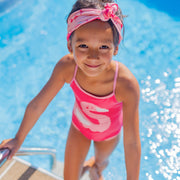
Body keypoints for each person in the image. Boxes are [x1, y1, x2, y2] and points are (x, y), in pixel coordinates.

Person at [0, 0, 141, 179]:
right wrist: (18, 139)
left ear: (116, 49)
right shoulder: (67, 68)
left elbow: (131, 143)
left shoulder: (125, 84)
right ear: (70, 46)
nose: (93, 56)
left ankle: (94, 165)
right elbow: (37, 105)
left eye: (104, 47)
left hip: (108, 135)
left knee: (100, 162)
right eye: (83, 46)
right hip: (79, 128)